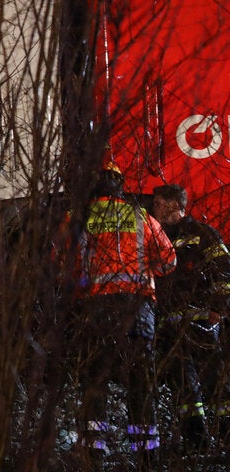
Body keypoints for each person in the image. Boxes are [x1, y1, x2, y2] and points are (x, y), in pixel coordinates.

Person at [59, 162, 176, 469]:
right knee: (141, 382)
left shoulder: (76, 219)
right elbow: (167, 262)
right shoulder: (141, 217)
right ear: (121, 185)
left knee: (94, 380)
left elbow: (60, 266)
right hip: (137, 311)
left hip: (94, 311)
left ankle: (94, 451)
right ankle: (148, 453)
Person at [152, 184, 230, 452]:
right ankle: (197, 443)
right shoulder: (157, 235)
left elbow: (224, 272)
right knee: (184, 387)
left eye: (159, 203)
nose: (155, 208)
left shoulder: (202, 233)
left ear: (174, 204)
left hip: (201, 321)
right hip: (170, 325)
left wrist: (218, 309)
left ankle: (226, 436)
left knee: (213, 380)